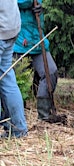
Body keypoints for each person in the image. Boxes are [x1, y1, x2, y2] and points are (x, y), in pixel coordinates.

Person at [14, 0, 59, 123]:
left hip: (37, 40)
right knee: (15, 81)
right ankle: (15, 118)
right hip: (17, 41)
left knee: (51, 72)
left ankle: (44, 116)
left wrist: (39, 5)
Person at [0, 0, 29, 139]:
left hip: (1, 28)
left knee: (7, 79)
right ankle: (19, 128)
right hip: (11, 28)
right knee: (7, 79)